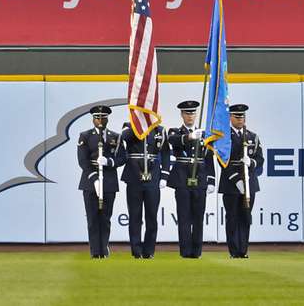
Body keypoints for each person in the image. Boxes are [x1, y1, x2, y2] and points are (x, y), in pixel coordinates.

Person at [167, 100, 214, 259]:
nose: (190, 116)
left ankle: (197, 251)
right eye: (187, 113)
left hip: (200, 179)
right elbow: (172, 141)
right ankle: (185, 251)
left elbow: (209, 158)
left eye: (192, 113)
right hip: (182, 179)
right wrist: (189, 137)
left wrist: (211, 180)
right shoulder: (175, 131)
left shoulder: (205, 134)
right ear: (182, 115)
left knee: (198, 218)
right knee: (184, 217)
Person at [76, 105, 124, 259]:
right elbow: (83, 161)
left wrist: (109, 161)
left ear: (107, 118)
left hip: (109, 180)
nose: (100, 120)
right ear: (93, 119)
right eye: (97, 117)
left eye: (103, 117)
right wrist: (95, 179)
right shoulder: (85, 136)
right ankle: (95, 251)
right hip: (90, 182)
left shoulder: (115, 137)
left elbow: (123, 157)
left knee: (105, 218)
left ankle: (103, 249)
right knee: (92, 218)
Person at [118, 121, 169, 259]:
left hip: (153, 176)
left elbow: (165, 153)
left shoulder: (160, 130)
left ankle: (149, 251)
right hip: (134, 175)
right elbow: (124, 137)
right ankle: (136, 250)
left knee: (152, 216)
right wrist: (139, 125)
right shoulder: (129, 125)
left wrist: (164, 175)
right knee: (135, 215)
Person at [219, 104, 264, 259]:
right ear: (231, 118)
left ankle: (243, 250)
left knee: (245, 216)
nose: (240, 120)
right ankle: (234, 250)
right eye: (237, 117)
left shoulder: (252, 137)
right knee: (232, 217)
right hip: (231, 183)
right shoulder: (224, 138)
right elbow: (223, 161)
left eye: (242, 117)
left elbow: (260, 159)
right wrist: (237, 180)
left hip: (249, 182)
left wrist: (251, 162)